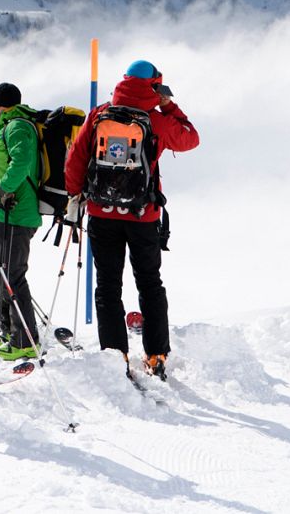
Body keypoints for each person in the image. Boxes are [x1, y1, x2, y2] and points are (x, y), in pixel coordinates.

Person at [64, 60, 198, 381]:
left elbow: (76, 159)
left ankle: (115, 356)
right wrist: (169, 105)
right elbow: (191, 138)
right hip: (143, 215)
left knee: (108, 286)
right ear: (155, 85)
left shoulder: (99, 114)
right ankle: (155, 355)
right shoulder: (155, 120)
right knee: (149, 284)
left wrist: (75, 196)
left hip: (100, 213)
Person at [0, 82, 42, 360]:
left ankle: (25, 340)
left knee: (12, 275)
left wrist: (4, 189)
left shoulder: (18, 127)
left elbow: (21, 161)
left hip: (16, 211)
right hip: (2, 211)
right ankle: (8, 333)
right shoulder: (6, 125)